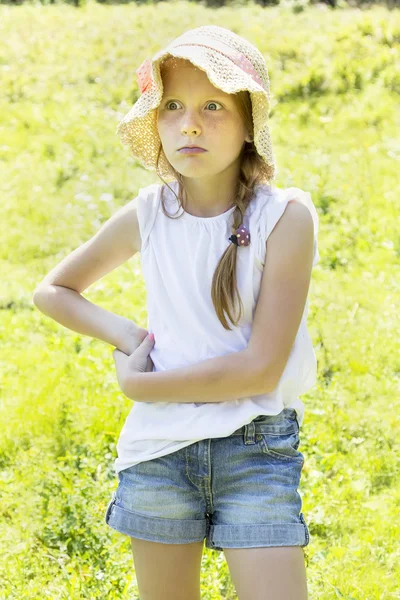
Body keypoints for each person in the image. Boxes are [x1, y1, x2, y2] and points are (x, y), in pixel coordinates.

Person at [33, 24, 320, 600]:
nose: (190, 123)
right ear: (157, 122)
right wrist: (129, 336)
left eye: (213, 105)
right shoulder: (149, 213)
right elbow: (54, 290)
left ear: (248, 128)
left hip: (254, 447)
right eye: (172, 106)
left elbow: (260, 371)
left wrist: (144, 388)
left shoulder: (284, 219)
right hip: (159, 452)